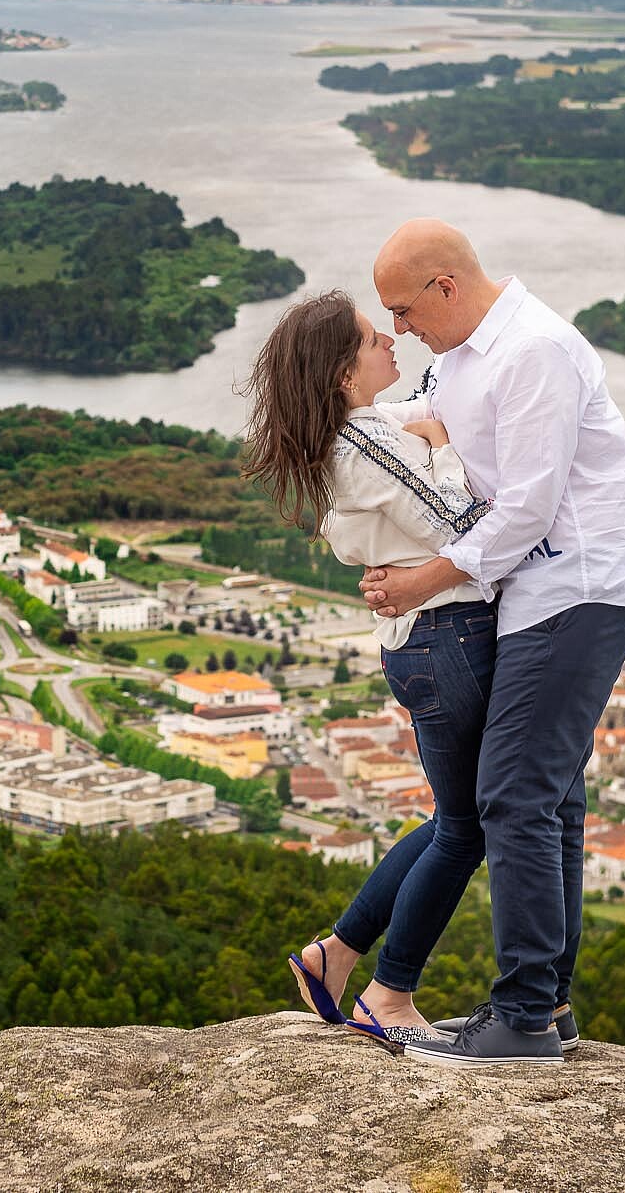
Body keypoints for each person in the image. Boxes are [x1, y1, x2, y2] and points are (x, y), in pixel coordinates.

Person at [358, 219, 625, 1067]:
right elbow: (420, 420)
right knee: (551, 798)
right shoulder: (465, 355)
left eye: (403, 308)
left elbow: (530, 505)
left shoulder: (535, 349)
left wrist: (425, 580)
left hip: (575, 587)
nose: (398, 328)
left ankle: (523, 1016)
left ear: (446, 289)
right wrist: (334, 418)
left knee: (512, 798)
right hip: (538, 593)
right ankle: (549, 1005)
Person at [240, 288, 496, 1055]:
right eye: (368, 336)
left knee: (458, 822)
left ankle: (338, 955)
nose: (390, 337)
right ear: (341, 373)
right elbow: (464, 523)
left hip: (415, 642)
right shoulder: (363, 440)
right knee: (469, 830)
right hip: (448, 636)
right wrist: (445, 441)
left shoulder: (347, 431)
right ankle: (391, 992)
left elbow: (414, 404)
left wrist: (428, 418)